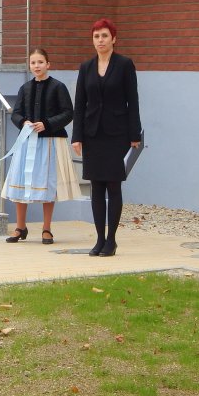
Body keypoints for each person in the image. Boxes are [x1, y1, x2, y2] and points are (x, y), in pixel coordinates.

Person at [71, 19, 142, 257]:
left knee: (113, 185)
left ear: (114, 39)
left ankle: (111, 240)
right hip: (92, 134)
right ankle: (99, 239)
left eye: (104, 36)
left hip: (117, 134)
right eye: (96, 36)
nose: (100, 40)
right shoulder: (86, 67)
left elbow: (133, 100)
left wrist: (134, 134)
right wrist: (77, 136)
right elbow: (80, 103)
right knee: (96, 187)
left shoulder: (124, 65)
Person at [2, 48, 78, 245]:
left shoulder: (58, 87)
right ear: (30, 65)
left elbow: (68, 113)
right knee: (21, 182)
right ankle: (20, 227)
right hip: (27, 142)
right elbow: (16, 113)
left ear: (48, 64)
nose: (37, 66)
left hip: (50, 142)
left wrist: (47, 123)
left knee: (47, 185)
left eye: (40, 62)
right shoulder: (25, 88)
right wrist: (23, 122)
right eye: (33, 62)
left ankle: (46, 229)